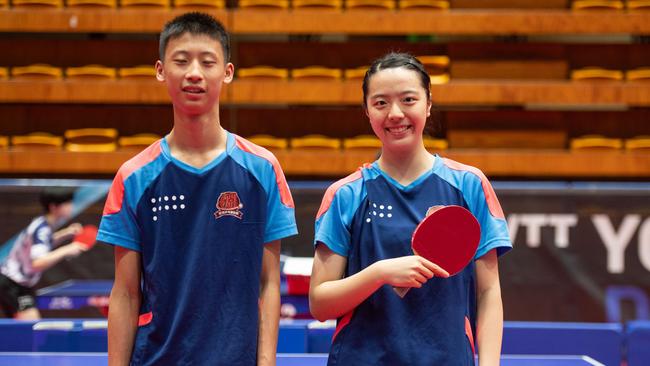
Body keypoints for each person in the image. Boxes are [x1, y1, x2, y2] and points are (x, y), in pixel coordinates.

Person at [97, 12, 297, 366]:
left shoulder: (264, 170)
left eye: (208, 62)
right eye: (181, 61)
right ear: (161, 70)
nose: (194, 73)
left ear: (227, 72)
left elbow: (268, 284)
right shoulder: (133, 178)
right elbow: (126, 293)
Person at [309, 53, 512, 366]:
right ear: (366, 110)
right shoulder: (345, 195)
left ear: (428, 104)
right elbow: (320, 303)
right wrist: (379, 273)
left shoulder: (469, 186)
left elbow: (488, 294)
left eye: (408, 99)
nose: (395, 113)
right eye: (380, 103)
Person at [0, 187, 85, 320]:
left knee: (22, 331)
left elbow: (44, 243)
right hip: (13, 284)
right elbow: (37, 263)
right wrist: (67, 249)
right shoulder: (42, 230)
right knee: (32, 328)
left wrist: (67, 233)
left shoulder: (41, 224)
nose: (71, 207)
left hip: (16, 282)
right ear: (54, 207)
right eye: (67, 203)